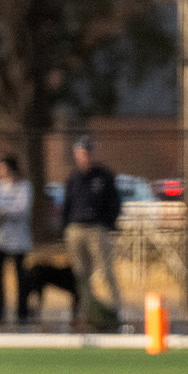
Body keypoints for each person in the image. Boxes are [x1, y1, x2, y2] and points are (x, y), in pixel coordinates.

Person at [62, 135, 122, 327]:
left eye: (89, 152)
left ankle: (115, 312)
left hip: (98, 229)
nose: (86, 157)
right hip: (76, 229)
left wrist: (107, 223)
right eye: (82, 153)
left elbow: (114, 204)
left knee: (106, 272)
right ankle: (88, 315)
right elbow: (67, 205)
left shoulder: (105, 176)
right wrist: (67, 227)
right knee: (81, 274)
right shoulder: (73, 178)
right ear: (77, 155)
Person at [0, 154, 33, 325]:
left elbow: (21, 211)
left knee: (20, 278)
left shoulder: (24, 187)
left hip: (18, 240)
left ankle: (22, 313)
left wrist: (1, 210)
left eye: (1, 167)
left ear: (10, 168)